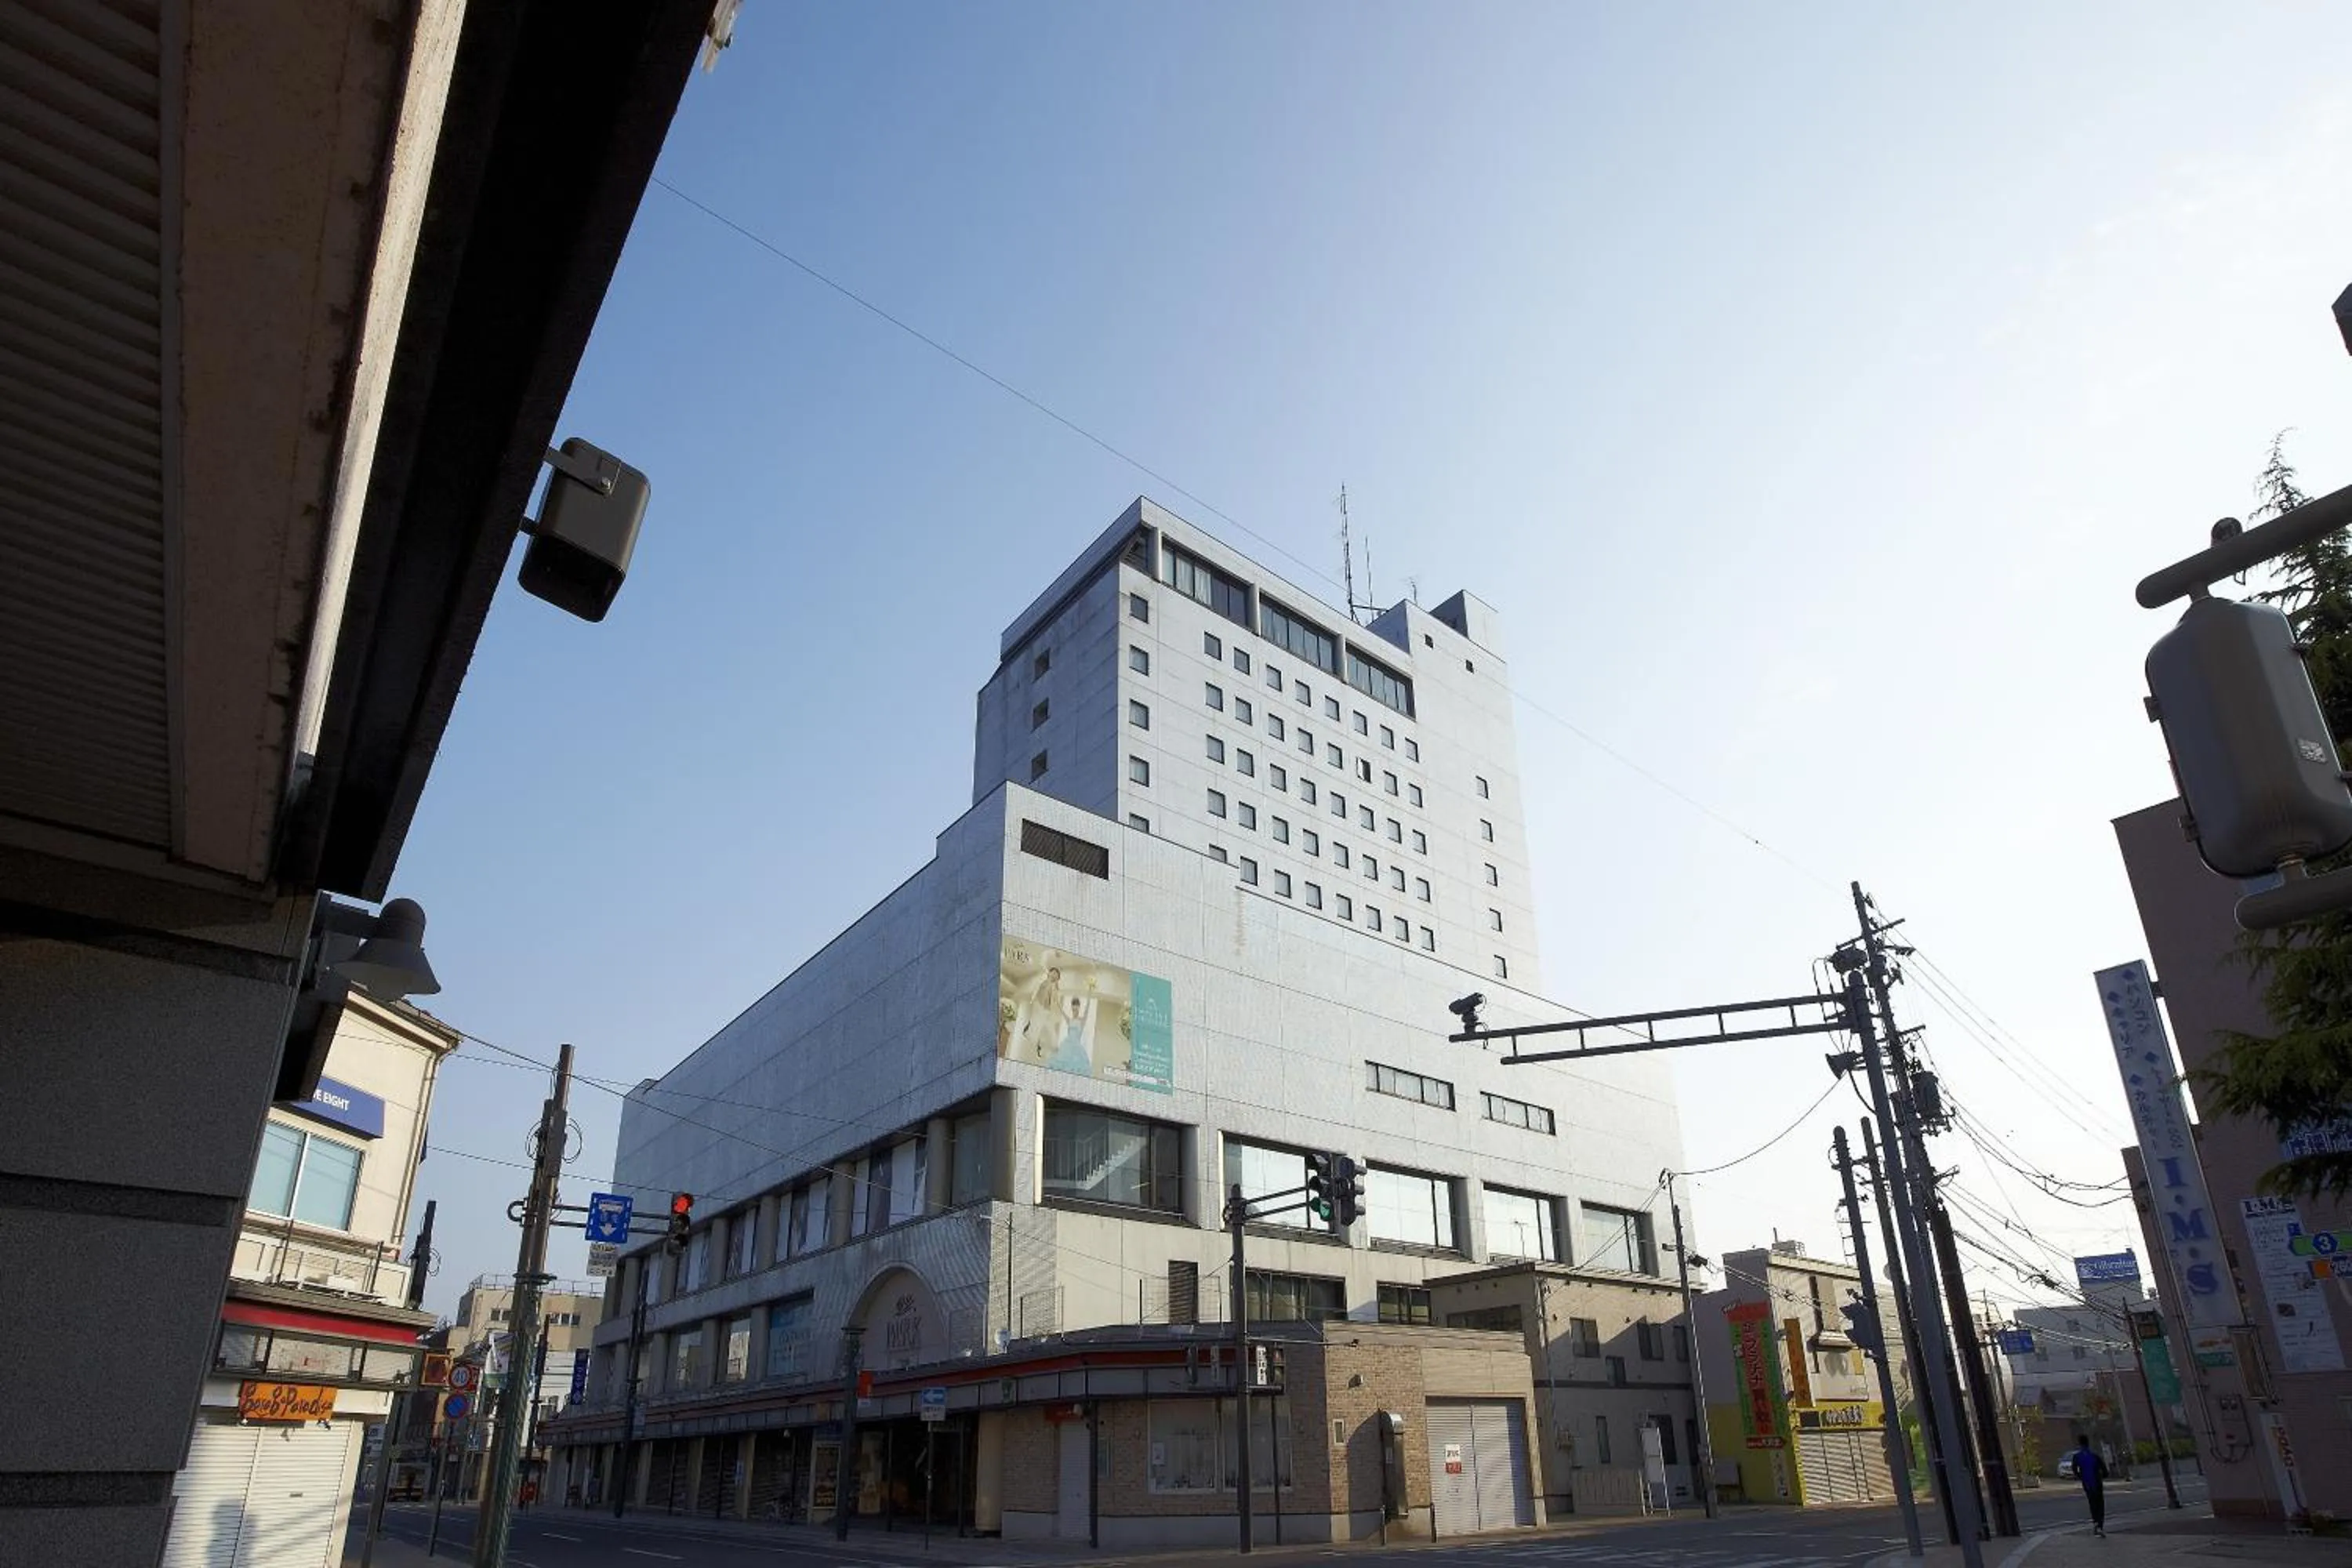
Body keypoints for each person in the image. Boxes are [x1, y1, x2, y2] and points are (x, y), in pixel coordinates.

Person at [2071, 1433, 2107, 1536]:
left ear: (2080, 1444)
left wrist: (2080, 1476)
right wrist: (2102, 1476)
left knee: (2092, 1503)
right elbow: (2104, 1470)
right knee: (2100, 1504)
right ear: (2088, 1443)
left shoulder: (2077, 1457)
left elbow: (2074, 1469)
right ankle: (2100, 1525)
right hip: (2097, 1483)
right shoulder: (2094, 1456)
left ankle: (2095, 1522)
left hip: (2087, 1484)